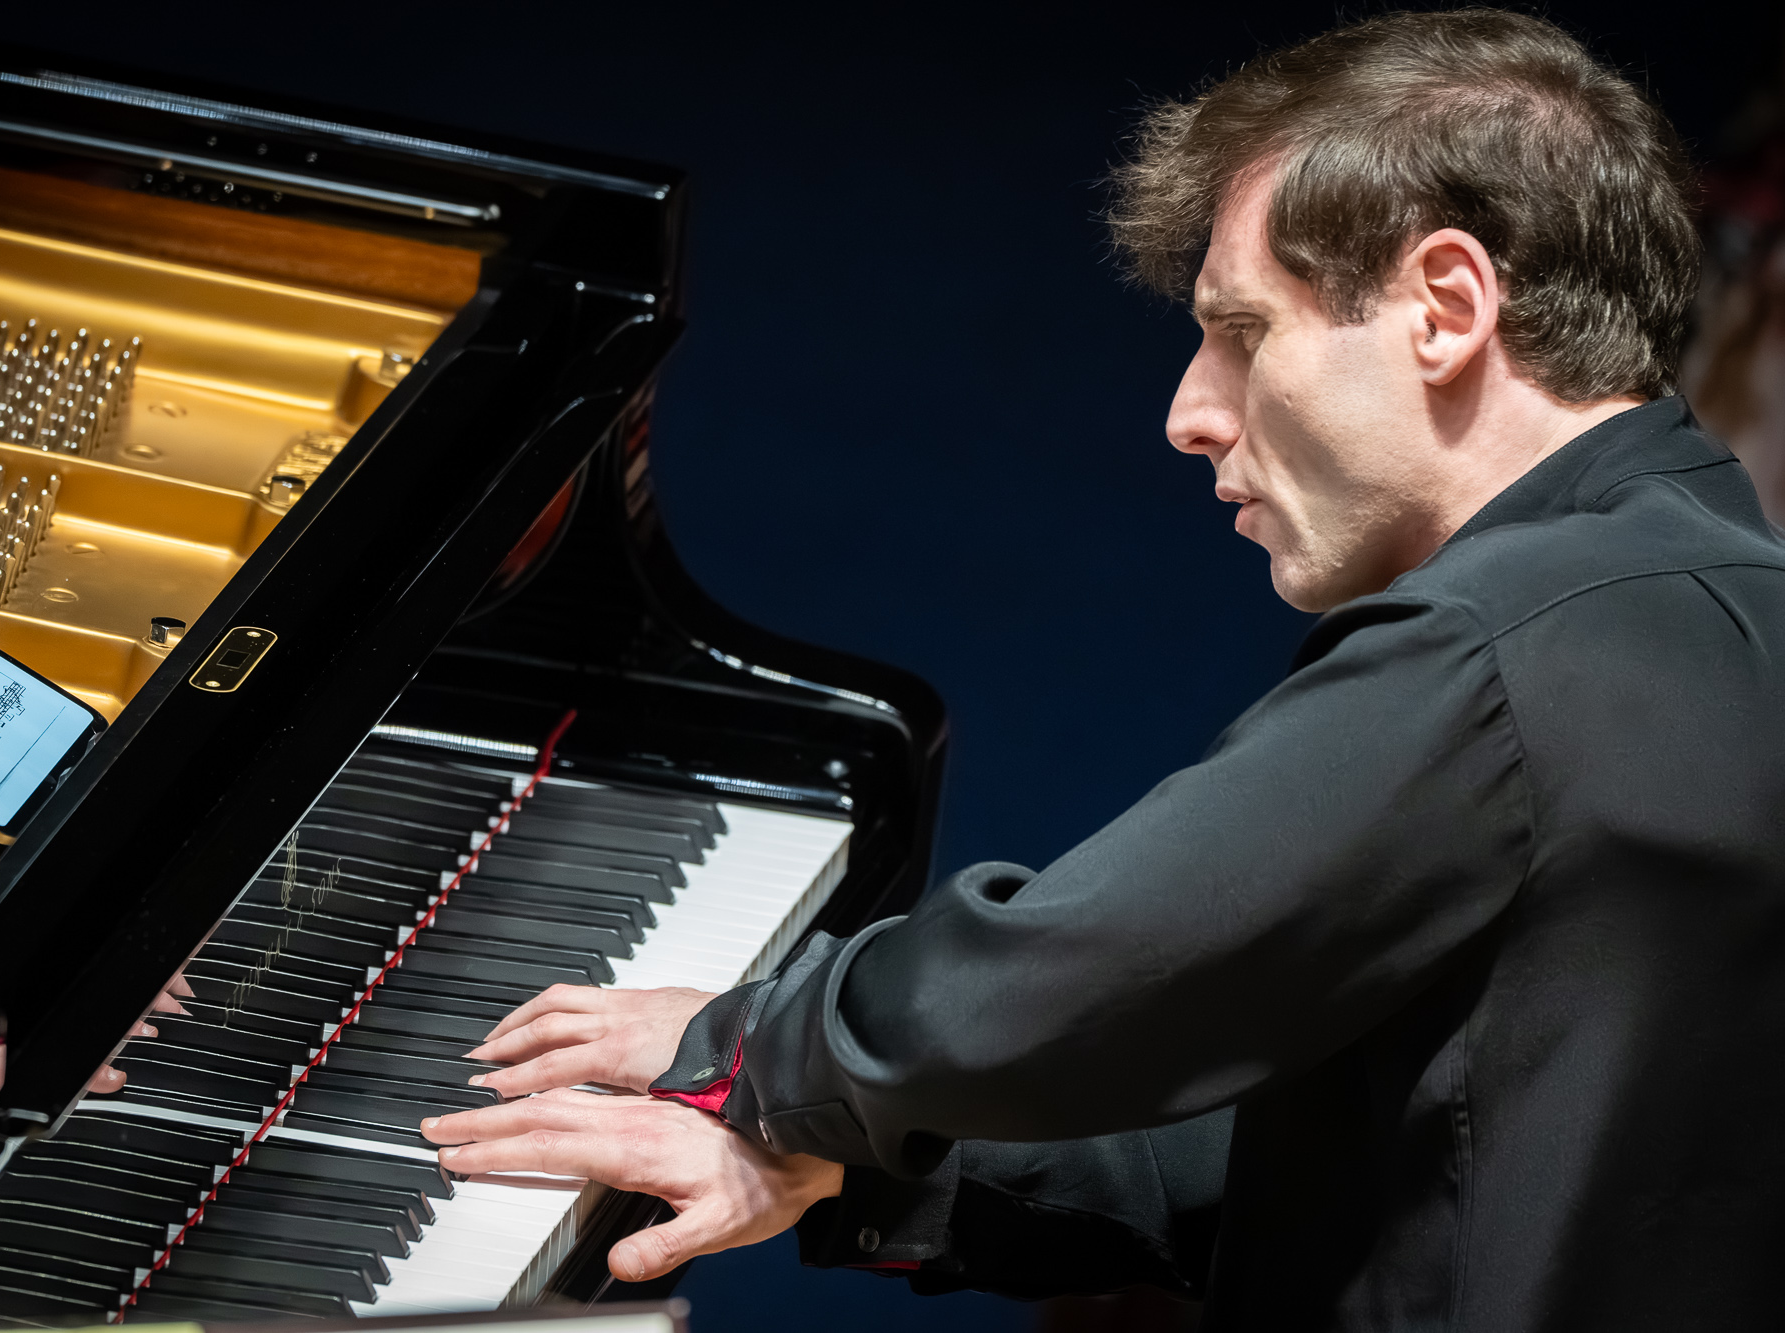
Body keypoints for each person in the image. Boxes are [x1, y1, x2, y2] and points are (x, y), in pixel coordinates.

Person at [418, 10, 1785, 1327]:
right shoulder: (1718, 605)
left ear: (1443, 303)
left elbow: (1062, 979)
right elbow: (1367, 1171)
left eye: (1243, 331)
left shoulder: (1510, 641)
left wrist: (742, 1044)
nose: (1191, 412)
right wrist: (853, 1159)